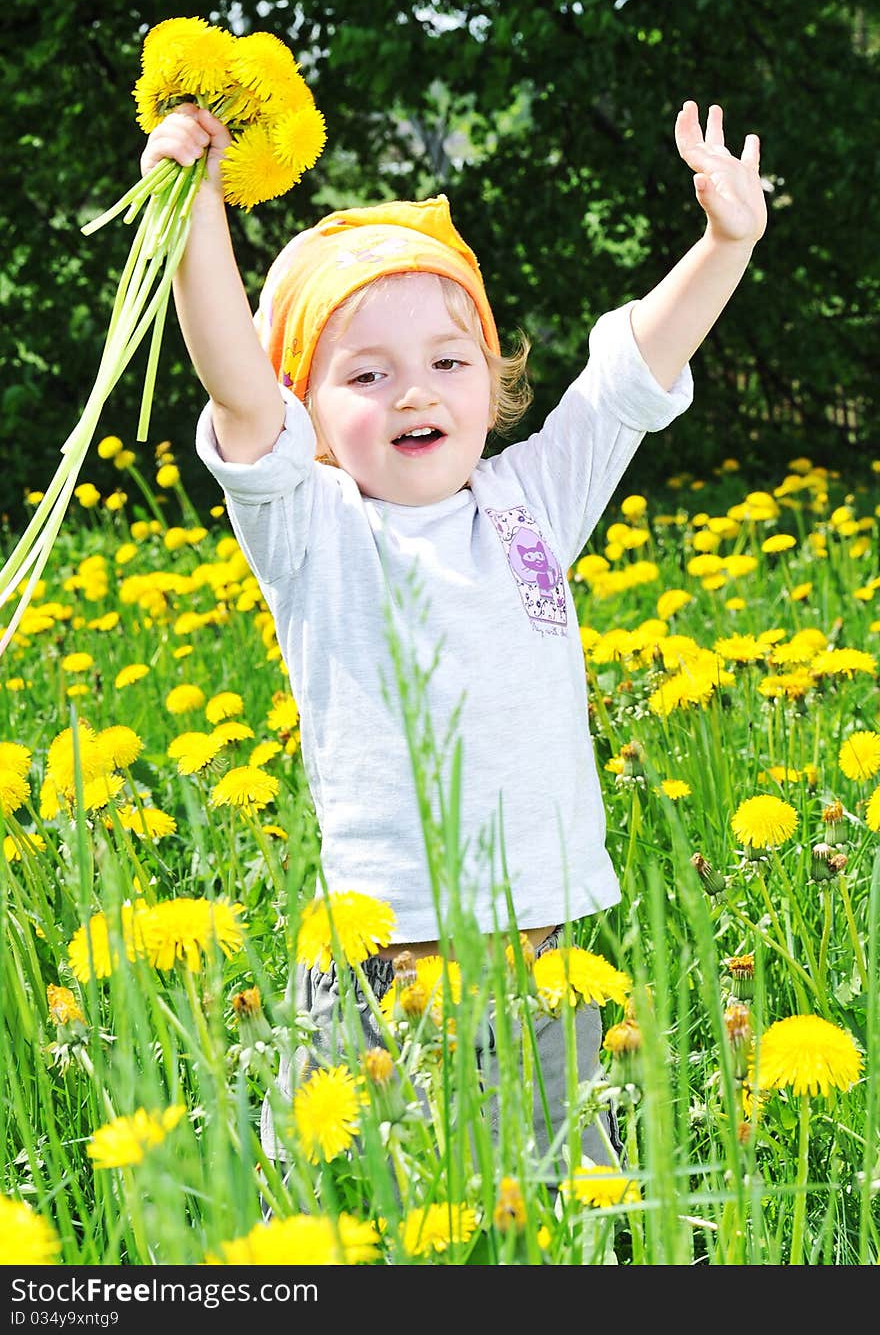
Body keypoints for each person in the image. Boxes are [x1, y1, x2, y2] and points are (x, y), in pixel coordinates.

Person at [140, 98, 767, 1182]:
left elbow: (627, 382)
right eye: (367, 374)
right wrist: (197, 209)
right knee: (348, 1226)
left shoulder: (528, 502)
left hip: (544, 977)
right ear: (306, 410)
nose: (415, 389)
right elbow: (233, 379)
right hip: (377, 981)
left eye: (447, 360)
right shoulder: (314, 529)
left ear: (493, 381)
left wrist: (724, 244)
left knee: (571, 1220)